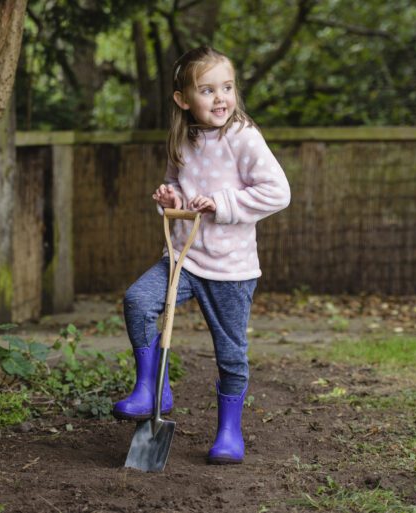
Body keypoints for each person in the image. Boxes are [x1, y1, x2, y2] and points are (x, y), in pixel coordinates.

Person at [113, 46, 291, 465]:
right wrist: (169, 197)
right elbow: (177, 188)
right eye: (207, 90)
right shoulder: (184, 138)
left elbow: (278, 192)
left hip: (230, 269)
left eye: (226, 87)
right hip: (184, 257)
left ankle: (229, 432)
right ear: (183, 99)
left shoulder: (243, 137)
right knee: (138, 301)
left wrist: (222, 204)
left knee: (230, 354)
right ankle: (151, 387)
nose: (220, 98)